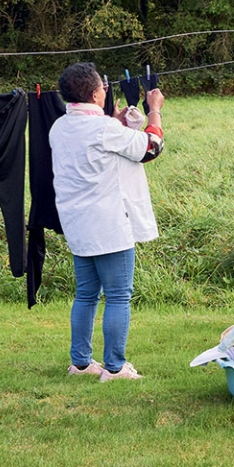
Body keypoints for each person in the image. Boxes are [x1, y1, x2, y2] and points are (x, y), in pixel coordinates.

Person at [49, 62, 165, 381]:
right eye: (102, 86)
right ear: (95, 93)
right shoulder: (103, 129)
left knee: (86, 294)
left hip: (78, 223)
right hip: (109, 224)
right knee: (118, 296)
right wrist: (154, 111)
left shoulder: (60, 127)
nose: (105, 90)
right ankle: (115, 367)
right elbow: (151, 148)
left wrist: (116, 121)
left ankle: (82, 363)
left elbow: (99, 145)